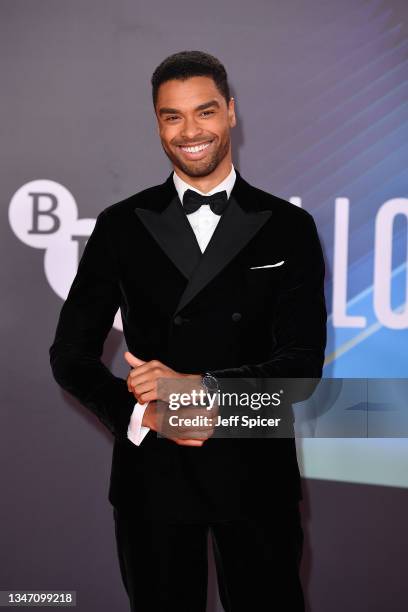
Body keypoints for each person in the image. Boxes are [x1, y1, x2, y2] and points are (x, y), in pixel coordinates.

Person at [49, 50, 327, 612]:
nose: (190, 131)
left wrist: (196, 391)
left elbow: (301, 367)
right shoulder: (121, 226)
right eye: (172, 116)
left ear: (230, 112)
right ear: (157, 123)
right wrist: (146, 413)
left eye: (204, 112)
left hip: (254, 473)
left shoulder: (288, 228)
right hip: (154, 476)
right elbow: (70, 354)